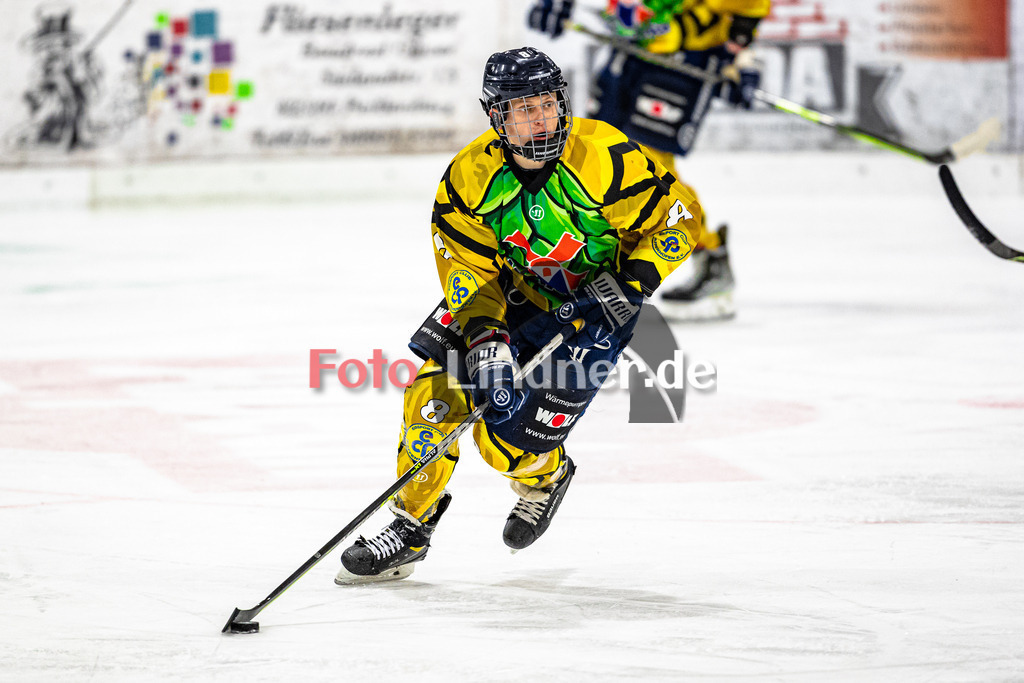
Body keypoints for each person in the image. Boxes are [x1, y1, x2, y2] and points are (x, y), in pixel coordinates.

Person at [335, 46, 702, 584]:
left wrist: (633, 281)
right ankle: (411, 526)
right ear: (496, 116)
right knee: (434, 396)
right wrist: (486, 338)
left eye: (549, 103)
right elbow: (469, 269)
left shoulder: (606, 157)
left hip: (599, 311)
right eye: (524, 108)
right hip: (512, 298)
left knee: (505, 445)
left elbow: (681, 220)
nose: (541, 118)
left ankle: (546, 478)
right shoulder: (469, 178)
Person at [528, 0, 771, 320]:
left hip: (682, 62)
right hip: (631, 50)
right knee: (597, 154)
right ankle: (593, 266)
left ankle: (709, 255)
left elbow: (749, 8)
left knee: (647, 168)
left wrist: (742, 55)